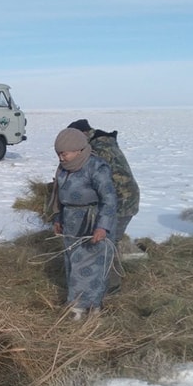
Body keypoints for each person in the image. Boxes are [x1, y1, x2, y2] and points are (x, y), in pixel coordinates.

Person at [49, 128, 118, 320]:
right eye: (58, 154)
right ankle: (89, 306)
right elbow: (59, 196)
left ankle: (79, 308)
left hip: (92, 221)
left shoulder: (97, 167)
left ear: (79, 150)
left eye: (64, 153)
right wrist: (58, 218)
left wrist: (102, 226)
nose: (61, 158)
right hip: (71, 222)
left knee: (88, 265)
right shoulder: (64, 169)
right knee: (72, 263)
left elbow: (110, 199)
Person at [67, 118, 141, 293]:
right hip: (126, 198)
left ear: (83, 134)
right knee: (109, 242)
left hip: (120, 202)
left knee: (105, 244)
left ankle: (112, 287)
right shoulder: (103, 142)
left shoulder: (97, 149)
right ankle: (113, 279)